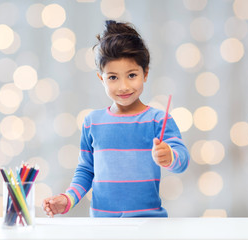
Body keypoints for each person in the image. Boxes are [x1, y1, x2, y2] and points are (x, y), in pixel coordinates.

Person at [43, 20, 190, 217]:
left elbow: (182, 161)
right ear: (100, 78)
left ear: (145, 73)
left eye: (131, 75)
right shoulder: (92, 122)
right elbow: (86, 170)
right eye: (113, 77)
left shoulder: (158, 120)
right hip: (103, 226)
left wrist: (170, 156)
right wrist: (68, 199)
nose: (123, 87)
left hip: (149, 223)